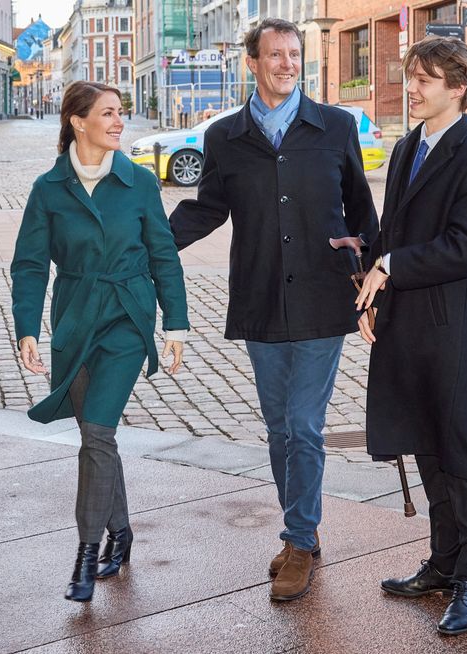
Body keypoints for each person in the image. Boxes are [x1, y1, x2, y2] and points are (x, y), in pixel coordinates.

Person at [168, 18, 378, 602]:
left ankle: (299, 538)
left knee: (306, 426)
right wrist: (147, 245)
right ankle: (301, 534)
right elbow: (208, 207)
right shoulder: (225, 137)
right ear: (252, 63)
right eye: (275, 55)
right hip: (260, 294)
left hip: (321, 294)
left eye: (294, 54)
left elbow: (361, 208)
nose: (287, 63)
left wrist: (374, 281)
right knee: (279, 427)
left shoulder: (334, 126)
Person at [11, 80, 189, 603]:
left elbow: (164, 257)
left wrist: (174, 325)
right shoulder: (49, 188)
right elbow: (29, 264)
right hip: (74, 321)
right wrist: (27, 327)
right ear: (77, 121)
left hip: (127, 320)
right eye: (108, 113)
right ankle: (123, 531)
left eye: (121, 113)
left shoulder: (137, 182)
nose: (119, 122)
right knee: (99, 437)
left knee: (95, 432)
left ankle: (87, 553)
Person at [354, 36, 467, 636]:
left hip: (456, 327)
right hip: (406, 319)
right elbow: (390, 233)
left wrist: (390, 268)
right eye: (410, 76)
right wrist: (371, 294)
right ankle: (443, 563)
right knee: (424, 442)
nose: (411, 87)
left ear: (459, 88)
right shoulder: (407, 146)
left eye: (425, 79)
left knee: (463, 451)